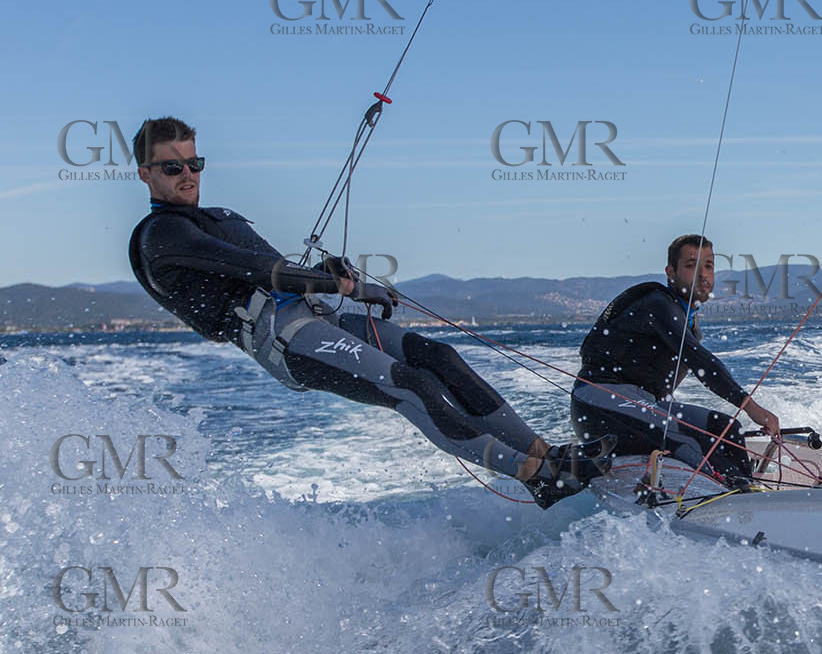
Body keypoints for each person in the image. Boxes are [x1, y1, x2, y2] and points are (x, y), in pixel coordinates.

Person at [125, 116, 610, 507]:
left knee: (439, 358)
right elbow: (259, 270)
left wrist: (328, 275)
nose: (188, 176)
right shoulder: (162, 235)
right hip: (285, 341)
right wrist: (346, 285)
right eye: (173, 168)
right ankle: (535, 477)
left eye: (195, 164)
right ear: (145, 174)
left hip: (318, 317)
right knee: (411, 385)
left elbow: (281, 270)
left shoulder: (215, 218)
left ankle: (544, 452)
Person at [571, 233, 780, 484]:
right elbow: (702, 362)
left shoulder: (688, 322)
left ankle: (746, 493)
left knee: (725, 428)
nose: (703, 274)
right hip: (599, 405)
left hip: (640, 403)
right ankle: (730, 497)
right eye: (691, 266)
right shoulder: (658, 305)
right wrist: (752, 408)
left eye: (709, 266)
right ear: (671, 272)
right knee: (688, 442)